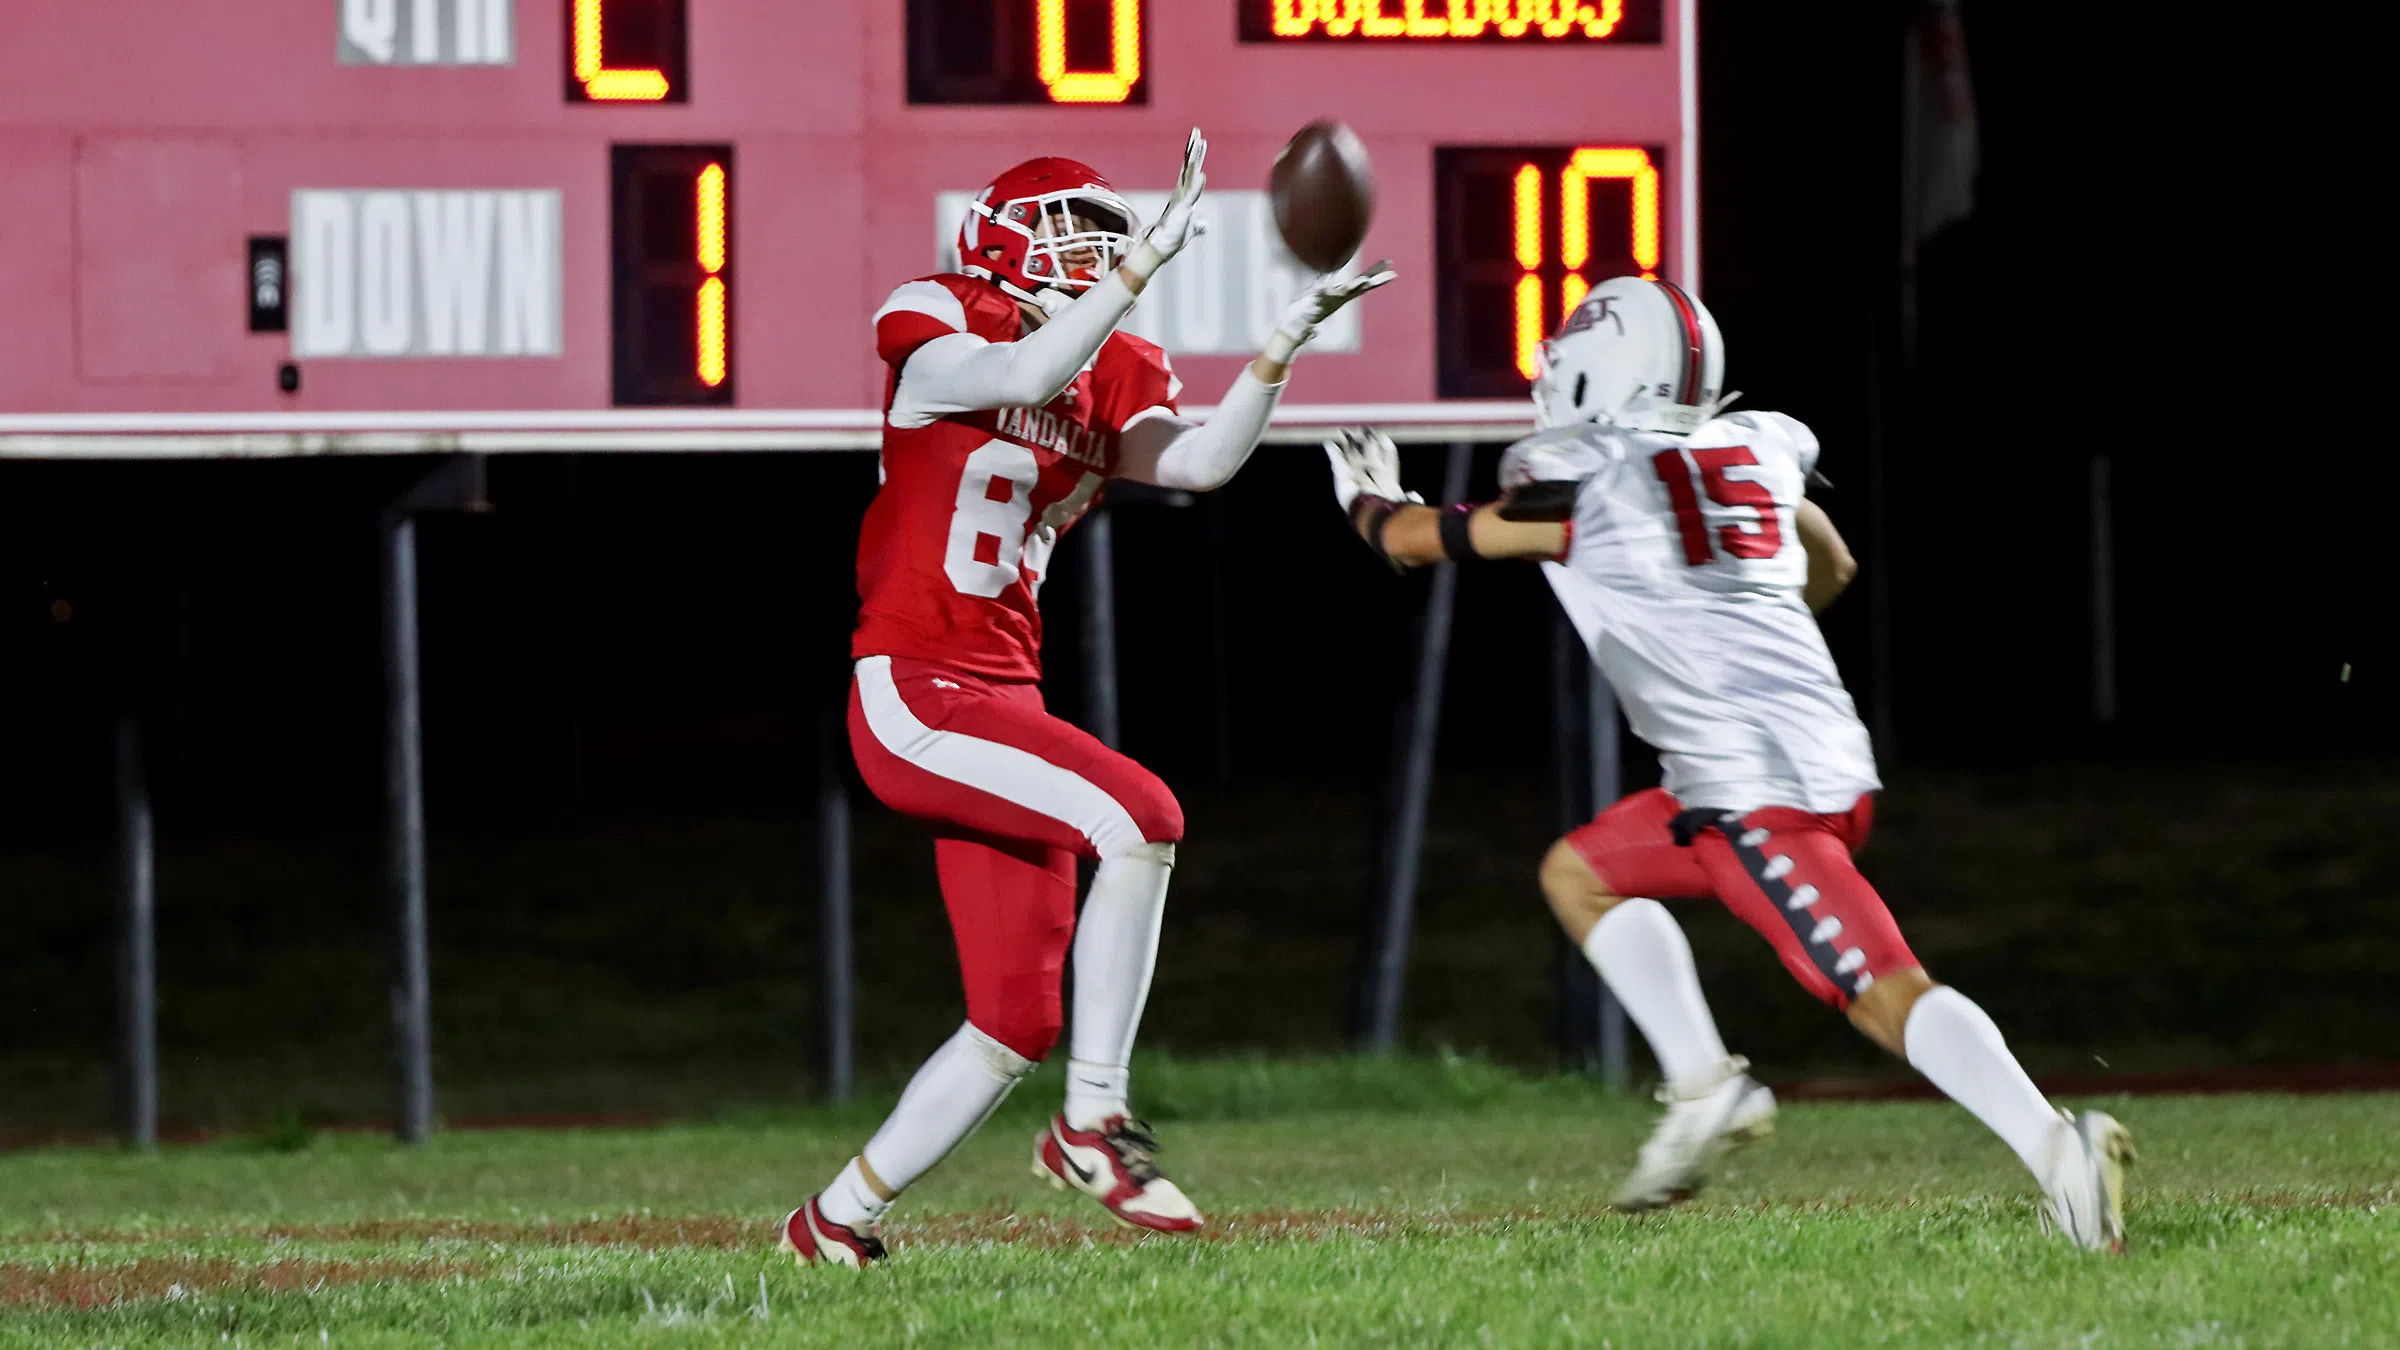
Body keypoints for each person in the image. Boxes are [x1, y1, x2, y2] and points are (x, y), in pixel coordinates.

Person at [1321, 274, 2133, 1252]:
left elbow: (1417, 541)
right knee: (1579, 872)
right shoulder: (1757, 444)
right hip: (1787, 763)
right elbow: (1830, 562)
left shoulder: (1583, 479)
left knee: (1879, 992)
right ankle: (1705, 1084)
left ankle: (2056, 1149)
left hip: (1755, 796)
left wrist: (1368, 497)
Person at [783, 130, 1395, 1267]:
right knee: (1144, 815)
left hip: (1000, 696)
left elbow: (1202, 463)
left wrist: (1277, 351)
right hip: (916, 687)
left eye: (1111, 240)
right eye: (1078, 233)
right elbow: (1017, 377)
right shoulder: (937, 317)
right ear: (1005, 235)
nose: (1098, 254)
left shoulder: (1116, 363)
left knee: (1014, 1019)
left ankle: (834, 1221)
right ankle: (1092, 1123)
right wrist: (1127, 280)